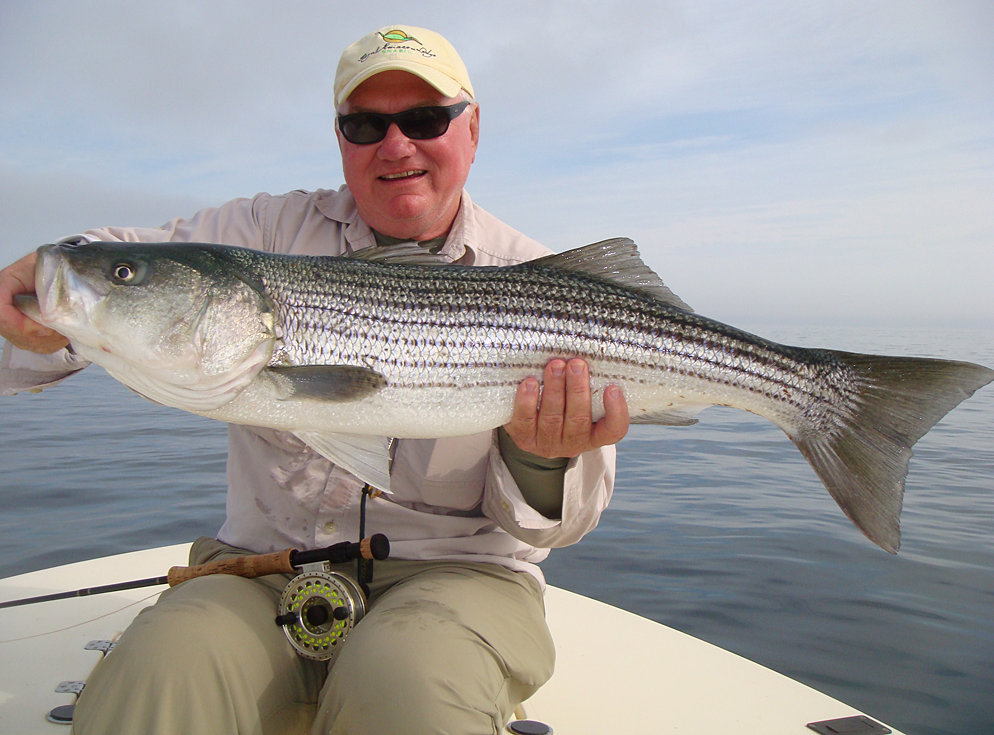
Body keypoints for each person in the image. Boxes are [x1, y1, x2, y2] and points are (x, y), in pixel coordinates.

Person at [0, 25, 629, 735]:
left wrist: (540, 456)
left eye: (425, 119)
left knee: (410, 685)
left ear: (473, 128)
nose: (396, 145)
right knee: (159, 672)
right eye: (366, 125)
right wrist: (36, 297)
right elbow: (125, 257)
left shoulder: (545, 284)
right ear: (340, 138)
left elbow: (563, 524)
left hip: (459, 577)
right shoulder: (261, 233)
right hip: (259, 570)